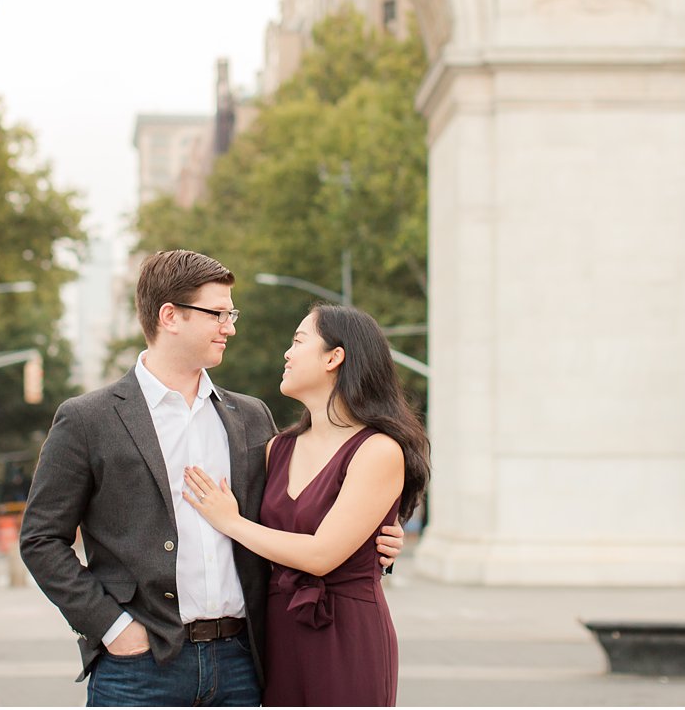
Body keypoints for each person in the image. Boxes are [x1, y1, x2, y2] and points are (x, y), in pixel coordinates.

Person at [20, 250, 404, 706]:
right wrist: (113, 627)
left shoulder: (252, 417)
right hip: (141, 667)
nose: (230, 326)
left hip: (244, 662)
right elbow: (41, 538)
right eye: (218, 314)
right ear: (171, 317)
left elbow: (296, 512)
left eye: (231, 313)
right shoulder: (88, 419)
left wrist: (376, 540)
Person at [183, 304, 430, 707]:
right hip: (277, 635)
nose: (287, 353)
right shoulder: (276, 448)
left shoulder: (378, 450)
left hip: (347, 635)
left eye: (298, 341)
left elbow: (321, 555)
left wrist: (229, 521)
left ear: (334, 357)